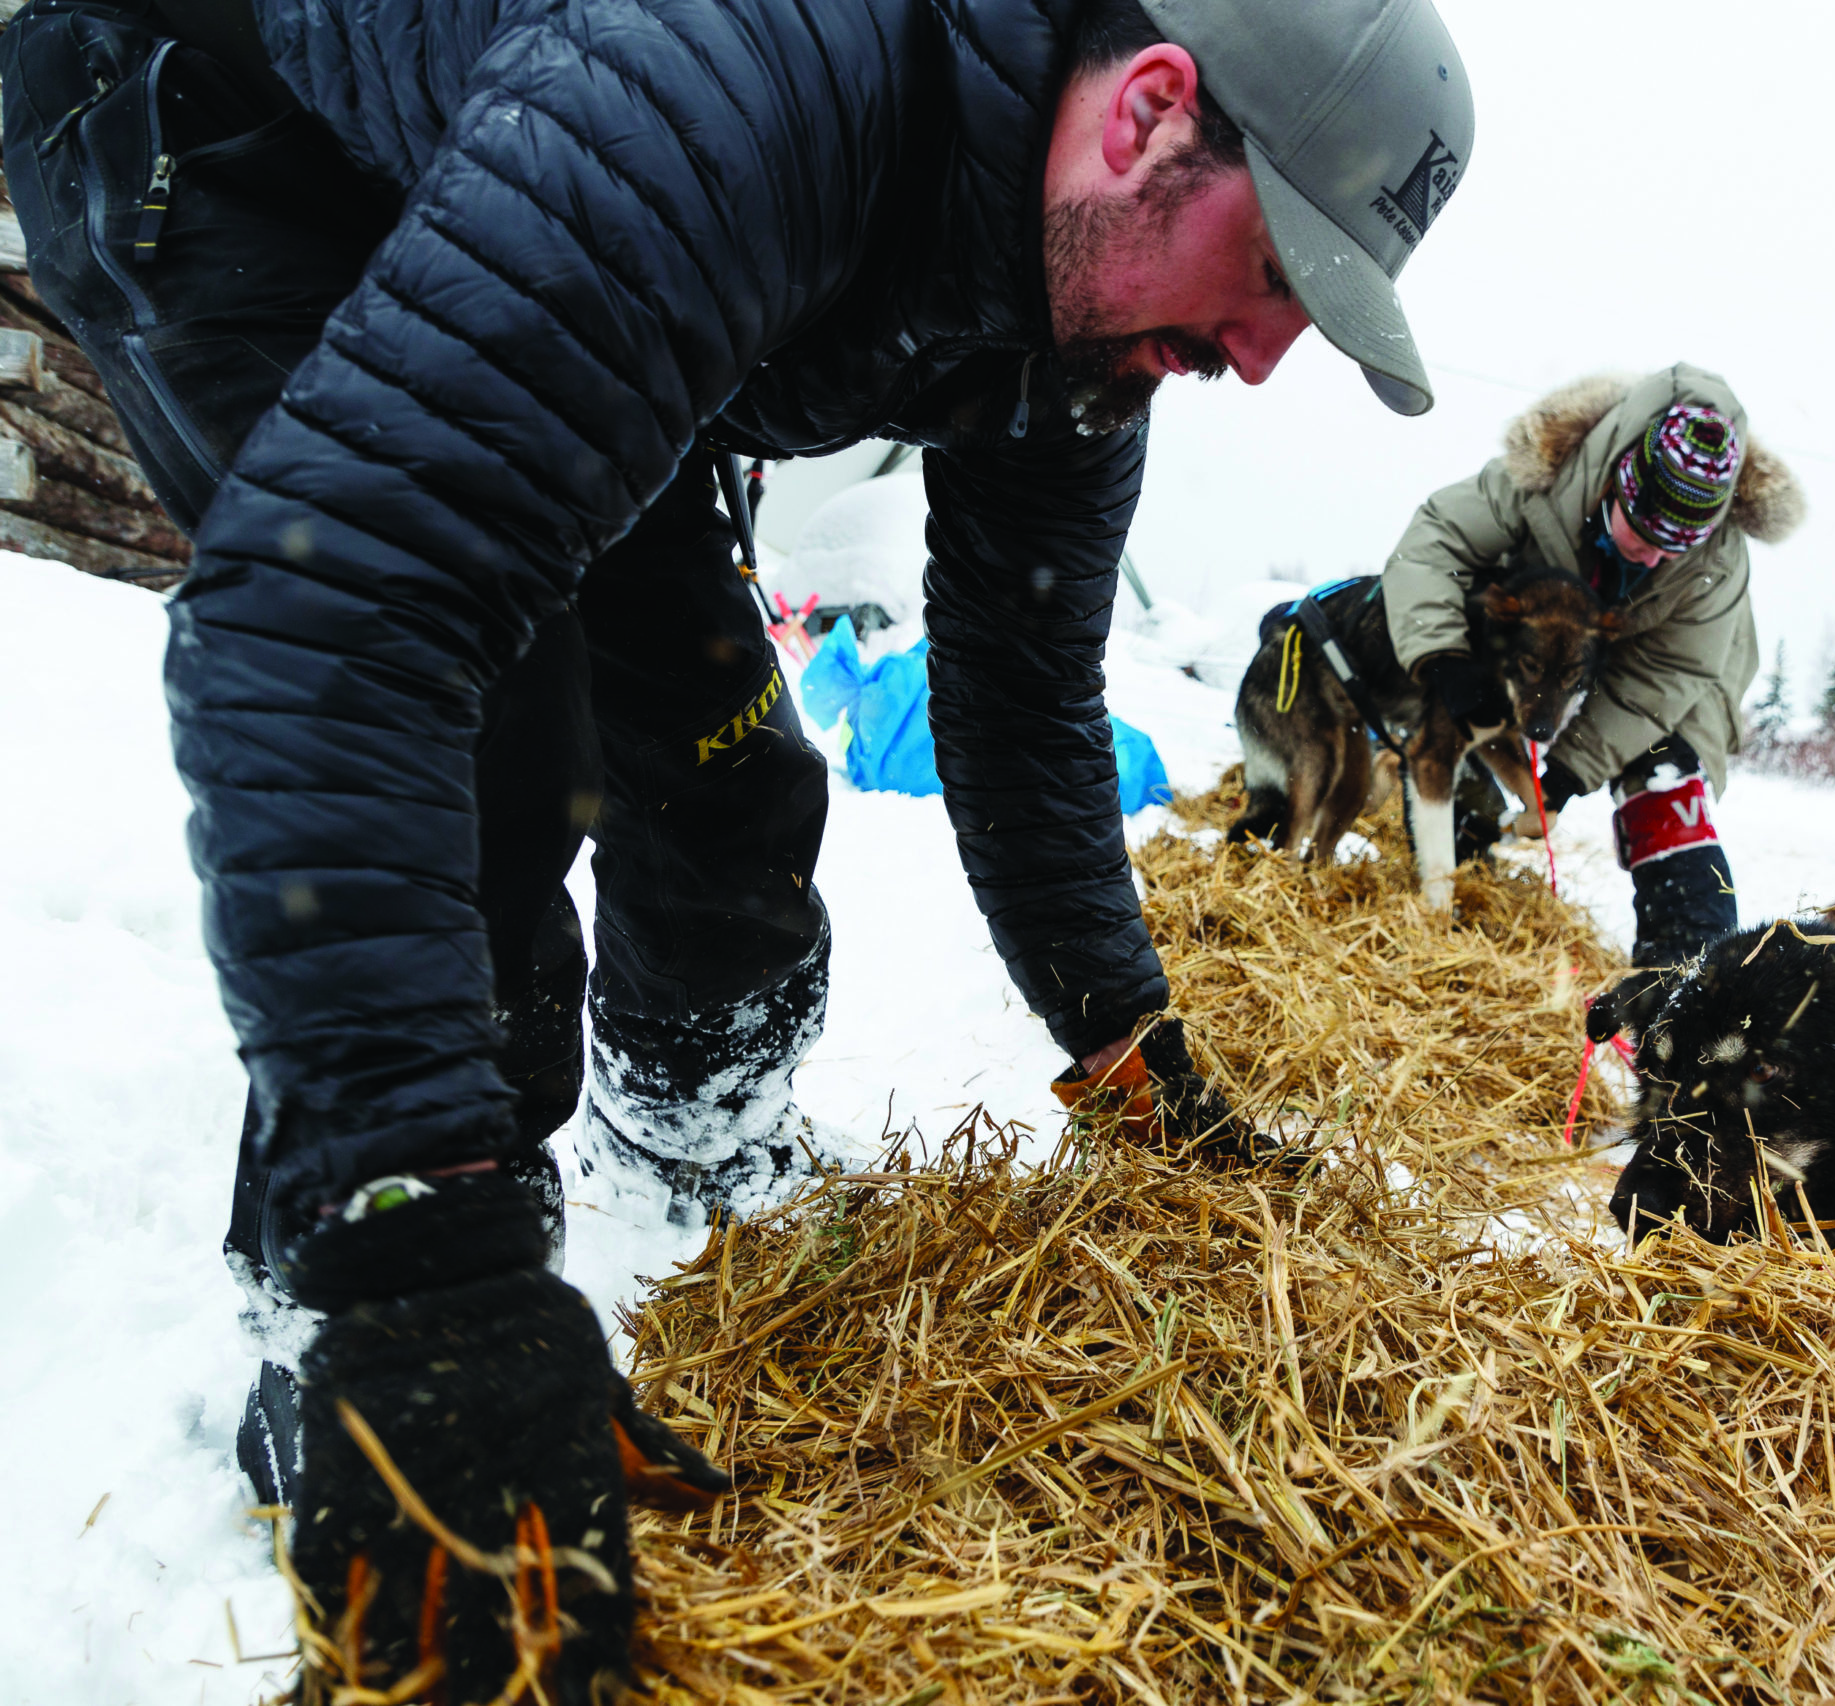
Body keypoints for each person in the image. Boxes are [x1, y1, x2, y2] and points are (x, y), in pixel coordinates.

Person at [1, 0, 1472, 1688]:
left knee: (725, 769)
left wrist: (1128, 1048)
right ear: (1147, 112)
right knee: (497, 752)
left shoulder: (1082, 324)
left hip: (527, 197)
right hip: (225, 126)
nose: (1270, 354)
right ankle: (350, 1338)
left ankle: (695, 1129)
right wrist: (434, 1268)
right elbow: (334, 619)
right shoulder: (746, 91)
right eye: (1278, 268)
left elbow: (1024, 695)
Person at [1382, 367, 1804, 968]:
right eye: (1643, 532)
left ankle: (1682, 975)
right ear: (1618, 486)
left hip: (1676, 679)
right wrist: (1442, 658)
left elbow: (1664, 679)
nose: (1654, 555)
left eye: (1673, 545)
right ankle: (1467, 866)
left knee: (1665, 782)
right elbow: (1434, 544)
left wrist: (1568, 773)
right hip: (1544, 642)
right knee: (1464, 711)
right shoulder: (1541, 479)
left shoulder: (1719, 563)